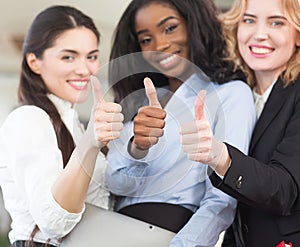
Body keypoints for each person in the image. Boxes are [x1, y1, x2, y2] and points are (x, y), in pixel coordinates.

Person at [104, 0, 256, 246]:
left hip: (174, 235)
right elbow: (115, 184)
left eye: (170, 28)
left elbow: (223, 198)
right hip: (114, 234)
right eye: (145, 39)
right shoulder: (139, 100)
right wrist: (138, 148)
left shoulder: (231, 94)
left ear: (194, 25)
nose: (160, 46)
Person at [0, 5, 123, 247]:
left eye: (92, 56)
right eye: (68, 56)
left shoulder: (73, 123)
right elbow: (52, 222)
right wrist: (91, 143)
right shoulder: (28, 118)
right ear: (34, 62)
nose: (84, 69)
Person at [179, 0, 300, 246]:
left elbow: (283, 189)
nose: (259, 34)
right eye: (249, 20)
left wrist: (219, 155)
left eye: (277, 22)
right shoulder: (237, 93)